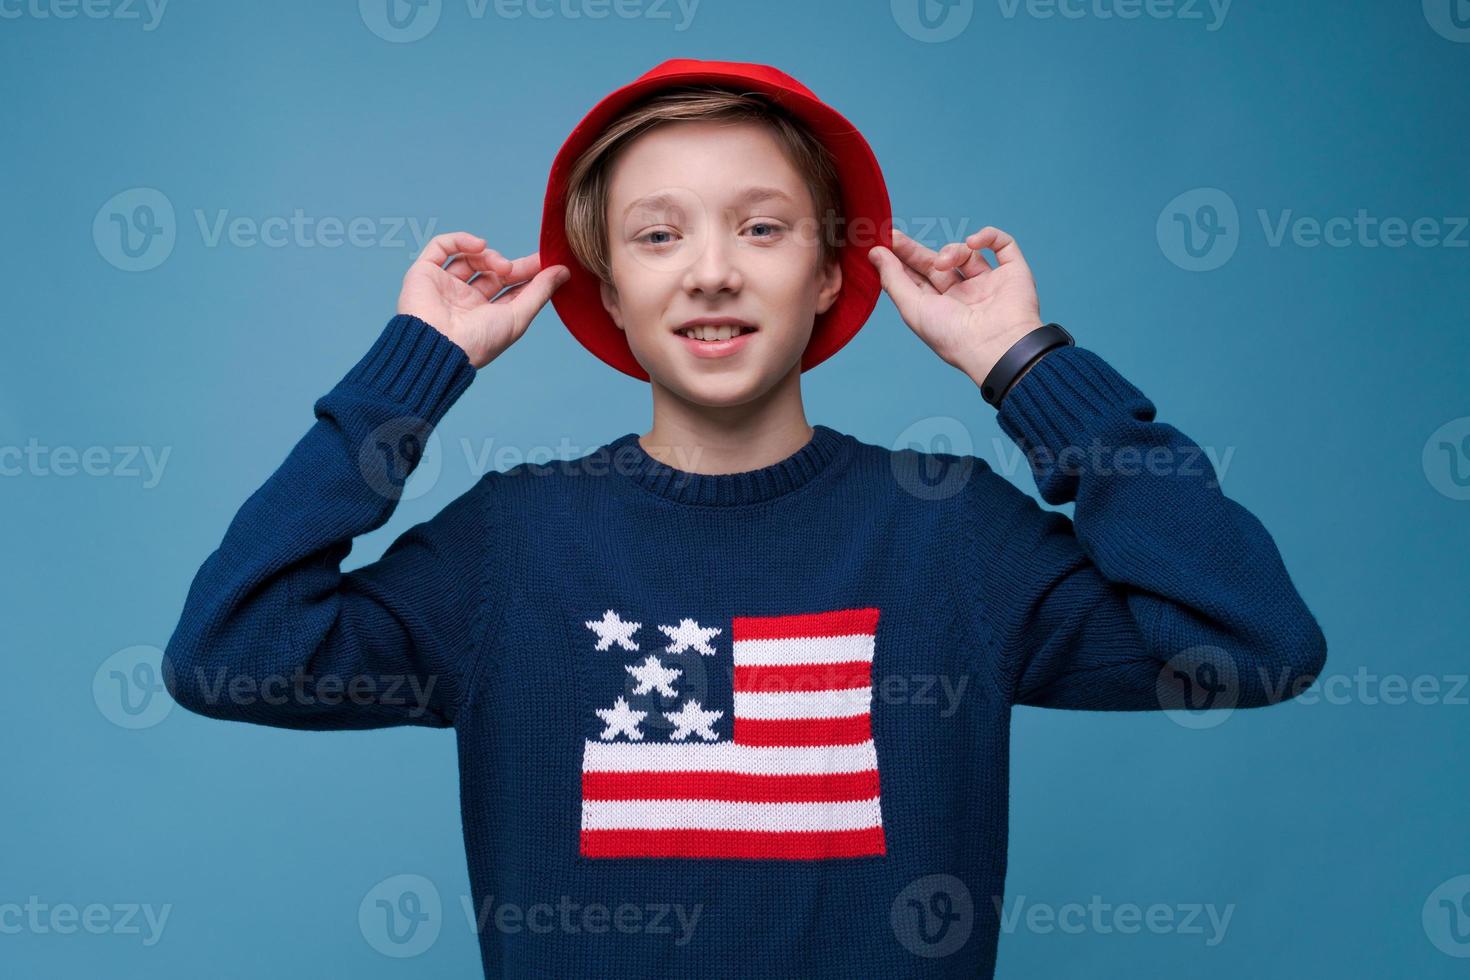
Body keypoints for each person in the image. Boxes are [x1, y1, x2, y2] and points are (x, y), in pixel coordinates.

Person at [162, 58, 1327, 979]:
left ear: (831, 270)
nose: (711, 272)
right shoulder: (515, 542)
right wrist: (410, 370)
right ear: (609, 291)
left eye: (762, 228)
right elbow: (229, 653)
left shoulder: (950, 530)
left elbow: (1256, 642)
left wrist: (1028, 367)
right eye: (657, 235)